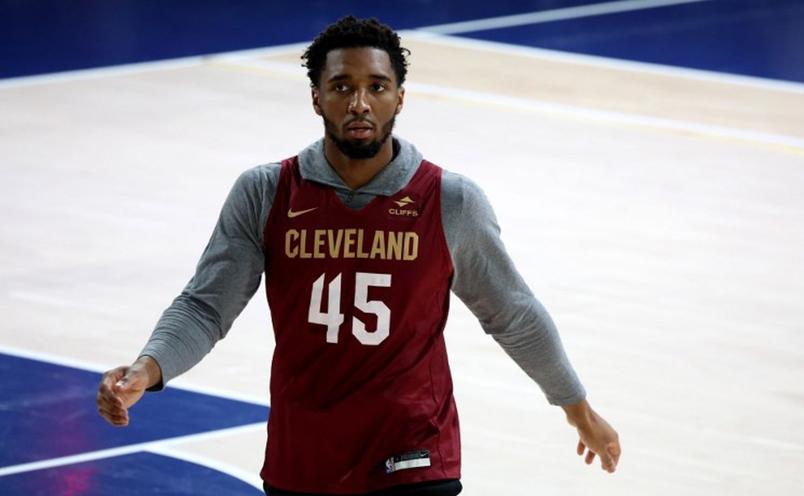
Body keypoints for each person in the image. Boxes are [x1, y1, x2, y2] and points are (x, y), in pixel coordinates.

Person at [96, 15, 621, 496]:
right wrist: (148, 367)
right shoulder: (267, 192)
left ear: (400, 97)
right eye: (341, 87)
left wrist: (577, 409)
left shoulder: (449, 200)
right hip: (302, 457)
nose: (359, 103)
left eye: (377, 87)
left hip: (414, 455)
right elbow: (206, 306)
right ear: (316, 98)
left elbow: (513, 314)